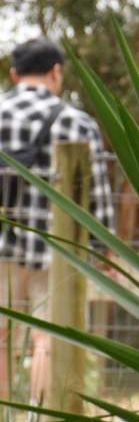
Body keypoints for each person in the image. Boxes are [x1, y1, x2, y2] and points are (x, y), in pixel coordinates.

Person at [0, 38, 116, 403]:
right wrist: (105, 247)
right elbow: (97, 191)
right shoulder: (76, 122)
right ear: (55, 72)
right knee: (46, 336)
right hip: (55, 248)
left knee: (1, 336)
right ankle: (41, 417)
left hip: (2, 244)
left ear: (14, 74)